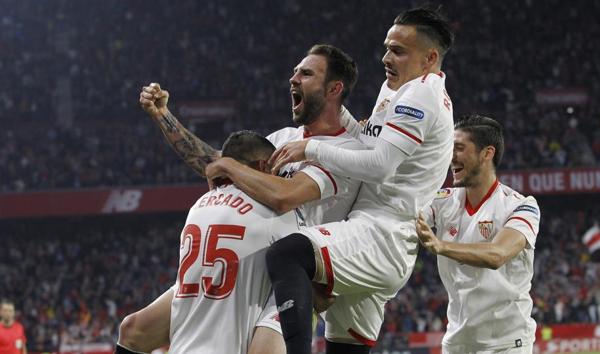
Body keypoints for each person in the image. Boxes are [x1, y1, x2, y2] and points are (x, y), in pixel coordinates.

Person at [117, 44, 363, 353]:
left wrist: (229, 166)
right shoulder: (284, 139)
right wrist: (164, 116)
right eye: (296, 71)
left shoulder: (346, 151)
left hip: (293, 274)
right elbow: (215, 163)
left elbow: (284, 196)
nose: (293, 78)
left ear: (334, 89)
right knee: (134, 330)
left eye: (306, 73)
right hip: (244, 256)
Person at [258, 7, 455, 354]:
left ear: (430, 58)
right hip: (372, 235)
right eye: (386, 47)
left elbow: (379, 166)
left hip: (382, 235)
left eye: (398, 50)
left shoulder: (423, 94)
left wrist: (311, 148)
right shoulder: (397, 89)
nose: (386, 57)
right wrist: (335, 108)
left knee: (288, 253)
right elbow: (369, 141)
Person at [117, 131, 301, 354]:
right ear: (263, 167)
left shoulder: (199, 205)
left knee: (131, 330)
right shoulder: (276, 213)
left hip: (181, 348)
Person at [416, 115, 540, 354]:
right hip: (457, 341)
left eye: (459, 148)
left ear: (487, 153)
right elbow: (404, 217)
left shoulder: (521, 206)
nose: (451, 156)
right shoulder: (442, 201)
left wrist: (441, 246)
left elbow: (497, 254)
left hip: (506, 343)